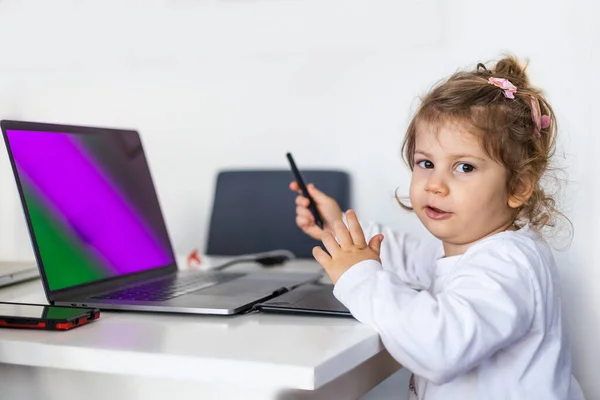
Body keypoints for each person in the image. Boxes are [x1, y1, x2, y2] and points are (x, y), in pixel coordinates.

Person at [290, 56, 585, 399]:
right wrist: (338, 227)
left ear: (518, 186)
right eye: (426, 163)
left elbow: (439, 348)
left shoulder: (508, 265)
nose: (435, 185)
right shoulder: (470, 246)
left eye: (464, 167)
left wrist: (359, 277)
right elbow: (407, 254)